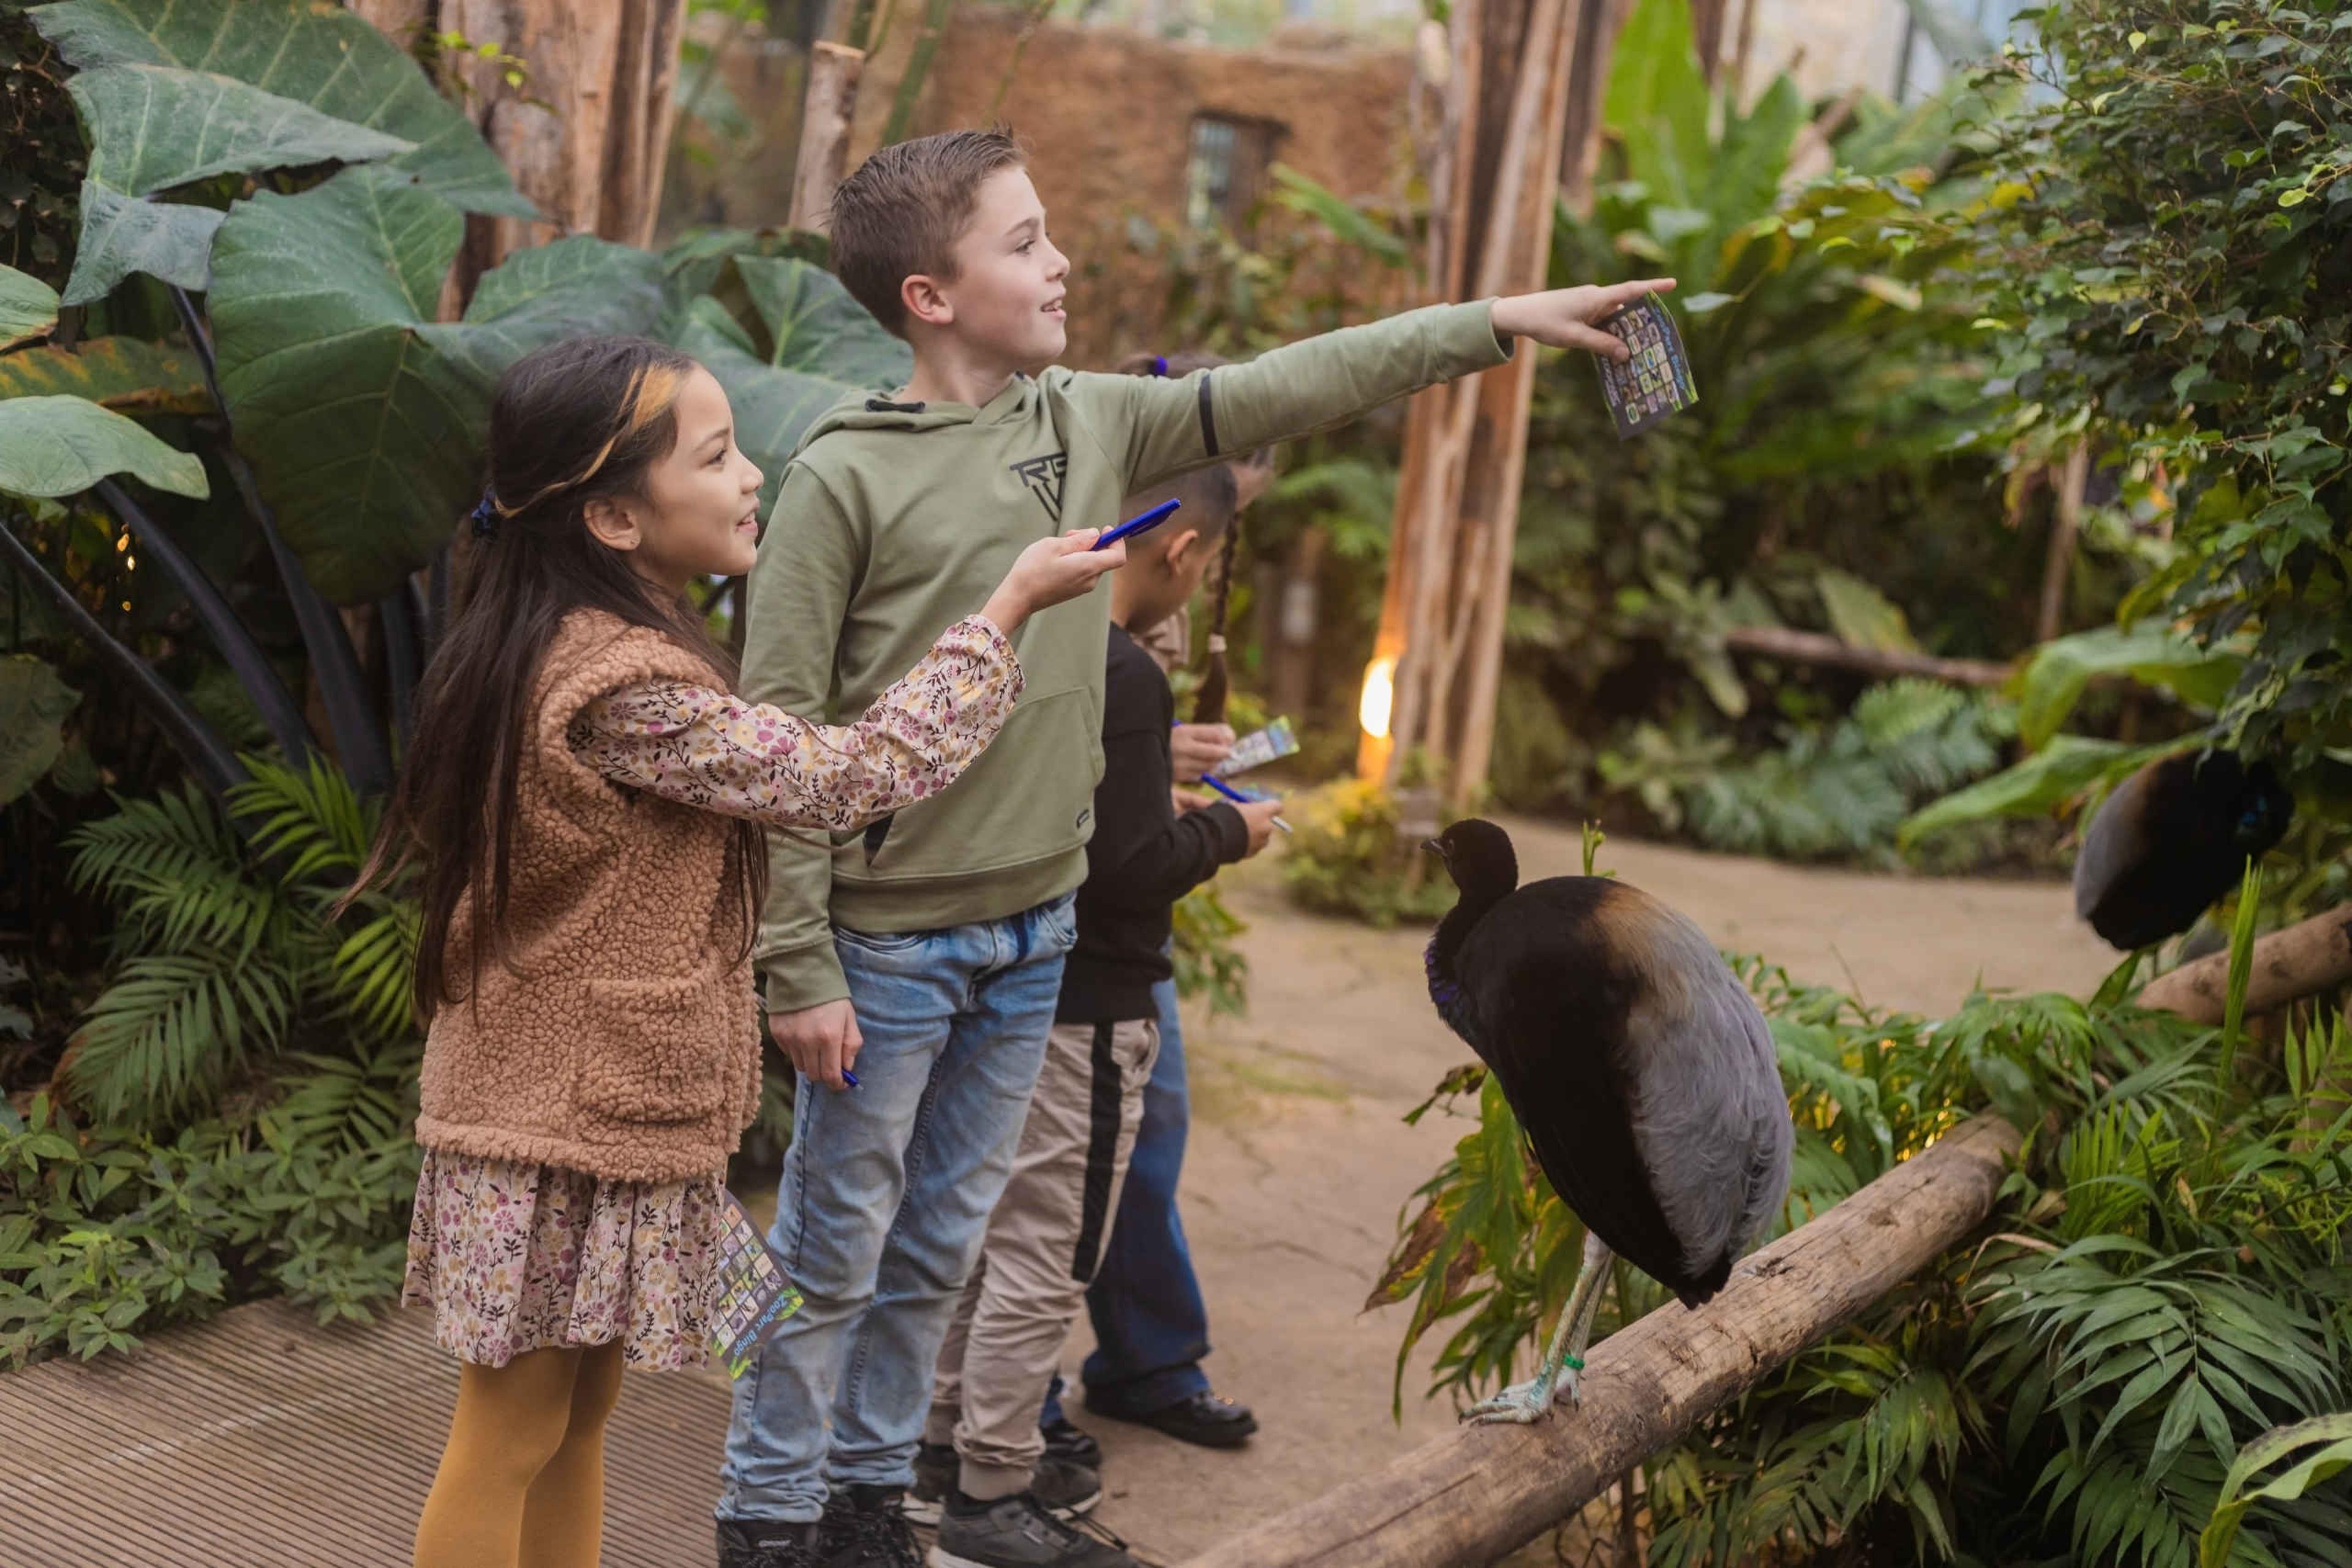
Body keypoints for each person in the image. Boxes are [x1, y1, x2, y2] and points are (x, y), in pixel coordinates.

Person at [715, 124, 1673, 1568]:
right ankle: (767, 1515)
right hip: (887, 941)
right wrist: (797, 962)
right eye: (1024, 240)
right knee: (833, 1251)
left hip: (1035, 932)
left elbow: (1293, 380)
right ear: (929, 293)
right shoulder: (839, 480)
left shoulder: (1084, 420)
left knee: (936, 1251)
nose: (1061, 261)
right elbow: (778, 740)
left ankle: (864, 1505)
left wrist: (1499, 323)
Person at [342, 333, 1118, 1568]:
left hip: (600, 1108)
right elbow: (849, 775)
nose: (755, 474)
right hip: (555, 1120)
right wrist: (1005, 608)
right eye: (716, 456)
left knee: (577, 1415)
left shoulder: (589, 642)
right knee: (512, 1425)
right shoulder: (620, 687)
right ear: (611, 513)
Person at [914, 463, 1278, 1568]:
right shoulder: (1126, 674)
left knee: (986, 1229)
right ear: (1181, 552)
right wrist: (1234, 834)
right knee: (1048, 1251)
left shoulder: (1023, 636)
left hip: (1002, 983)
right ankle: (991, 1489)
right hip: (1091, 1003)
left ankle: (944, 1444)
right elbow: (1125, 869)